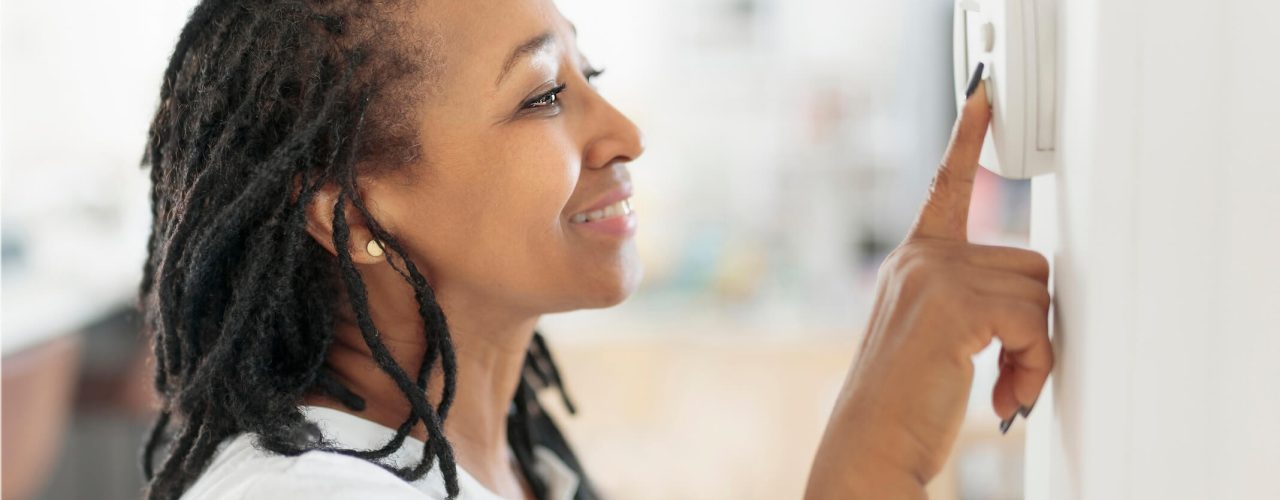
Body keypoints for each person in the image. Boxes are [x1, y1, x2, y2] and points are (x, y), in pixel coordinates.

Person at [138, 0, 1052, 499]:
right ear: (357, 208)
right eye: (542, 96)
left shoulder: (511, 465)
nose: (623, 132)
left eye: (592, 77)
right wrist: (876, 452)